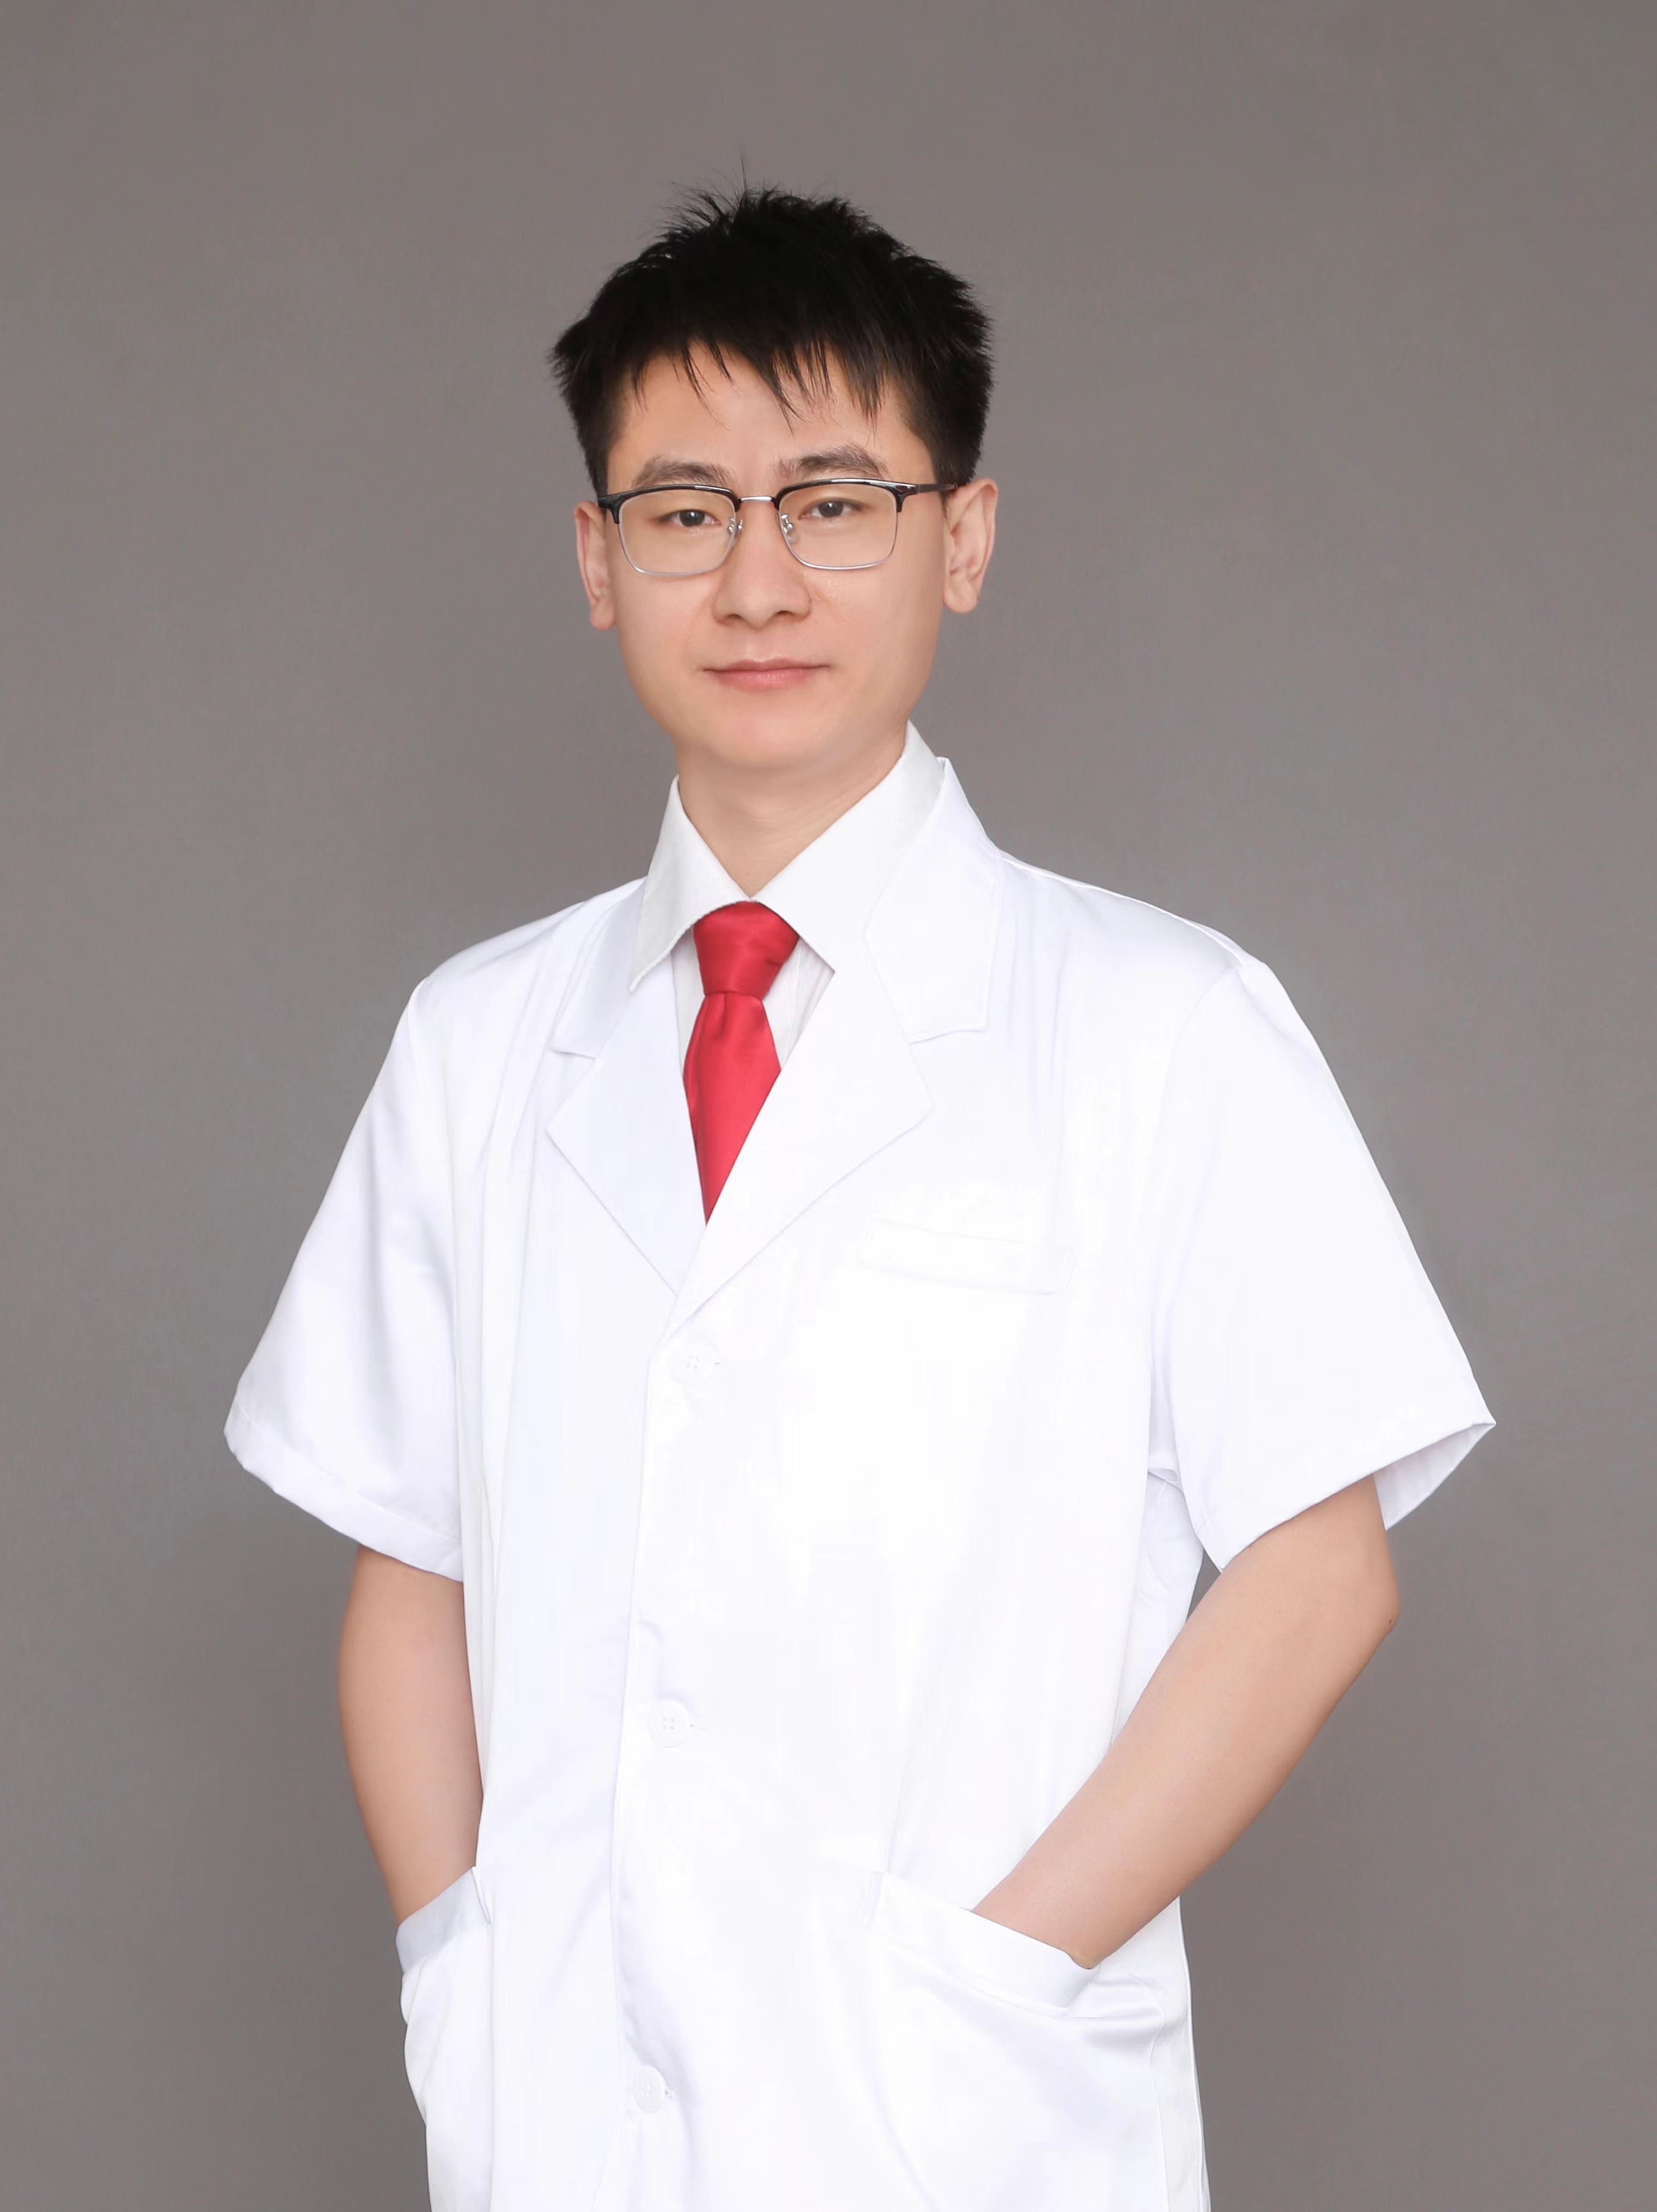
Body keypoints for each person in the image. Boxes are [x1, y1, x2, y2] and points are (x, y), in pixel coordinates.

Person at [225, 184, 1493, 2212]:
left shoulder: (1162, 1025)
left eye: (833, 503)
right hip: (558, 2116)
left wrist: (1005, 1966)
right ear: (596, 558)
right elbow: (409, 1563)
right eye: (682, 511)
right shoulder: (478, 1040)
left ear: (959, 539)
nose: (757, 581)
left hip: (966, 2117)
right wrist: (458, 1962)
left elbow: (1318, 1569)